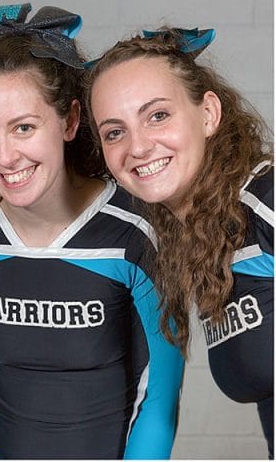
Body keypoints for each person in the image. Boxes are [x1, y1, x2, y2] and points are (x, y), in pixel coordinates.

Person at [0, 3, 184, 459]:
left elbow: (159, 398)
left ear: (68, 121)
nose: (5, 158)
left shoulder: (135, 229)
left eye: (23, 127)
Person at [87, 27, 274, 457]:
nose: (137, 146)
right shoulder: (200, 237)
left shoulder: (266, 202)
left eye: (157, 116)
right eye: (114, 132)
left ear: (208, 113)